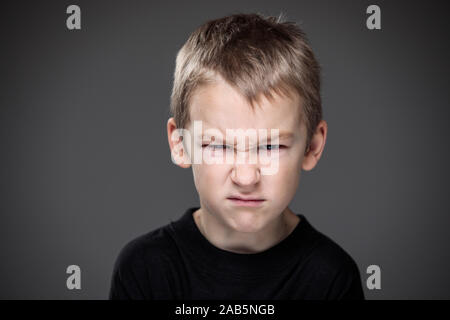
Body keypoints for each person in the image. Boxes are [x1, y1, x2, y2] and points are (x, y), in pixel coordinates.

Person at [109, 12, 365, 300]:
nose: (245, 178)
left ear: (312, 146)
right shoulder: (145, 269)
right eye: (218, 146)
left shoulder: (330, 277)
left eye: (271, 147)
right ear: (179, 143)